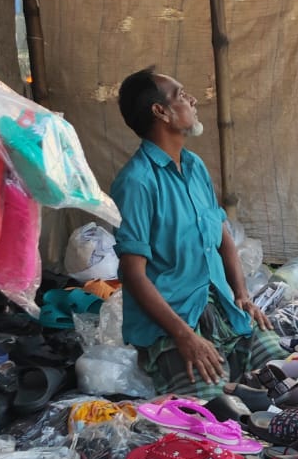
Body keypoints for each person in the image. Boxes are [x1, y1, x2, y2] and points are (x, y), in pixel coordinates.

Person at [111, 67, 287, 398]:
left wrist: (242, 296)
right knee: (218, 408)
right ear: (160, 112)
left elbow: (223, 239)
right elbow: (133, 274)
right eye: (181, 95)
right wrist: (184, 336)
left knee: (285, 375)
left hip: (220, 309)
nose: (192, 100)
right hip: (173, 323)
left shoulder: (194, 166)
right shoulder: (136, 182)